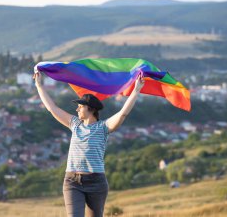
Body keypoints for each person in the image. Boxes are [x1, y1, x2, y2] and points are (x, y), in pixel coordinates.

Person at [33, 71, 145, 217]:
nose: (77, 109)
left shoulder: (104, 127)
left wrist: (136, 90)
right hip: (72, 181)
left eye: (80, 106)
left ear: (90, 108)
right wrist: (39, 86)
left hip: (96, 183)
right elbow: (52, 108)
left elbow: (123, 113)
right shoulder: (74, 124)